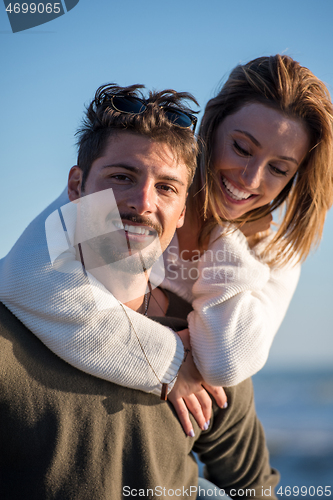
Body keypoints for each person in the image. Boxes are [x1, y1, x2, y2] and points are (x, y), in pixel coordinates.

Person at [1, 55, 333, 438]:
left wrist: (225, 238)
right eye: (241, 148)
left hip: (199, 442)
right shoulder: (147, 180)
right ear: (212, 126)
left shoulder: (275, 251)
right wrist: (171, 360)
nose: (250, 178)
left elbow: (227, 362)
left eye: (278, 169)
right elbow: (25, 276)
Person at [0, 84, 279, 499]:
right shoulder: (8, 332)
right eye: (121, 177)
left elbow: (255, 490)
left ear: (183, 210)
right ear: (76, 187)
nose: (142, 201)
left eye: (166, 187)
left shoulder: (204, 340)